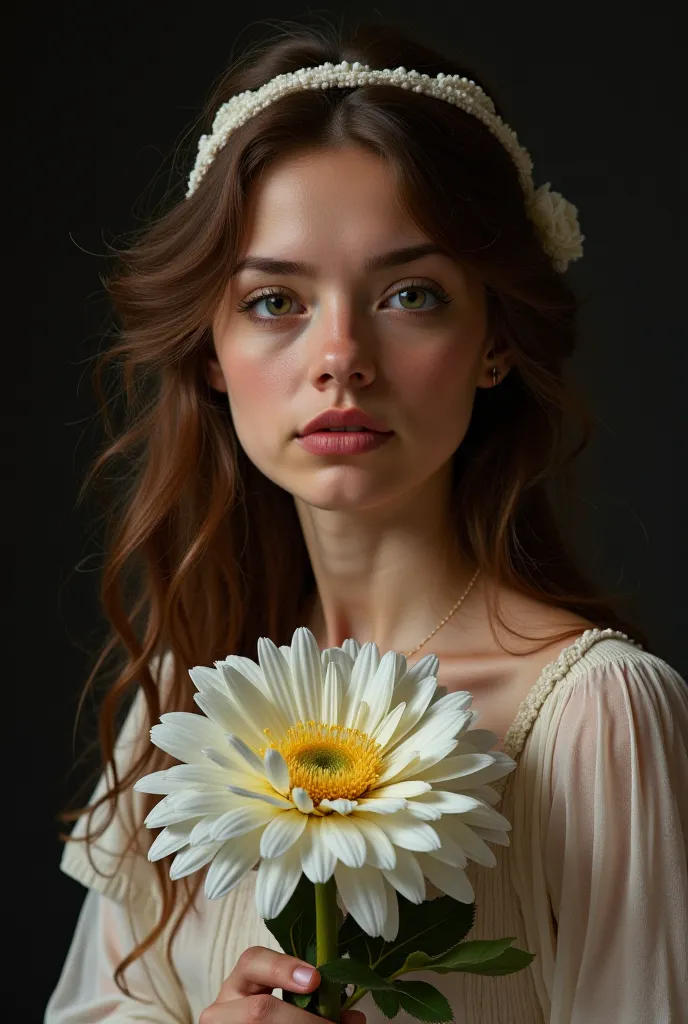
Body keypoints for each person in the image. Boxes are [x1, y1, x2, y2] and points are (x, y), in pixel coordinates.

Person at [46, 18, 688, 1024]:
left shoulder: (594, 720)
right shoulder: (186, 687)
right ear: (210, 352)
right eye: (274, 301)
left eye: (409, 293)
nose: (340, 355)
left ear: (493, 341)